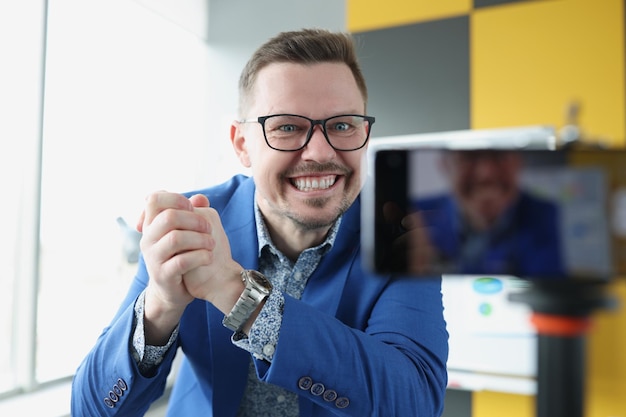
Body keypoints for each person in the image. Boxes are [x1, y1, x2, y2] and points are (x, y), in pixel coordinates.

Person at [71, 28, 449, 417]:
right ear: (242, 145)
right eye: (287, 127)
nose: (320, 151)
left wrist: (238, 294)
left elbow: (414, 402)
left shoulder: (405, 231)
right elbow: (90, 410)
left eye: (342, 125)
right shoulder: (192, 226)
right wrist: (160, 305)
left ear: (365, 135)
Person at [410, 149, 565, 278]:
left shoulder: (545, 215)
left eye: (500, 155)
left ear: (519, 162)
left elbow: (550, 297)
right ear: (445, 165)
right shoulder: (414, 216)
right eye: (469, 156)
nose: (486, 173)